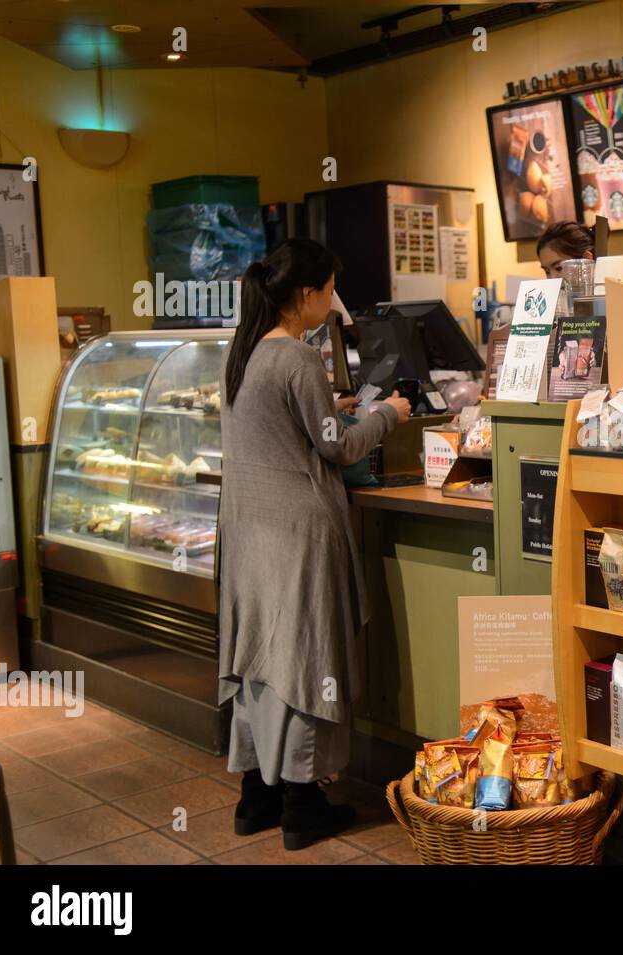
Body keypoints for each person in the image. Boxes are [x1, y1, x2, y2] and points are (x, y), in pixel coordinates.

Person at [218, 238, 411, 851]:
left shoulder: (244, 349)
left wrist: (335, 408)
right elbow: (338, 448)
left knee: (260, 659)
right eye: (328, 292)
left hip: (249, 532)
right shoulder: (299, 358)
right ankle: (304, 804)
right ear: (304, 294)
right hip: (300, 534)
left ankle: (257, 795)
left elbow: (290, 425)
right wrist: (390, 414)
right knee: (307, 658)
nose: (332, 306)